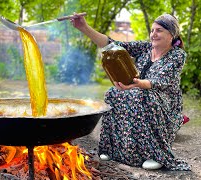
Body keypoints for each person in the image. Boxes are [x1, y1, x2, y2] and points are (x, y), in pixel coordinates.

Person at [70, 13, 191, 171]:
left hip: (164, 104)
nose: (153, 34)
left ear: (172, 34)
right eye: (152, 30)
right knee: (112, 93)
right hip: (139, 92)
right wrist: (83, 27)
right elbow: (112, 45)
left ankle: (155, 155)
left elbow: (160, 81)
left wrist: (135, 84)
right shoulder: (146, 47)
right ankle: (111, 149)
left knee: (141, 95)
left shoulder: (177, 55)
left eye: (159, 30)